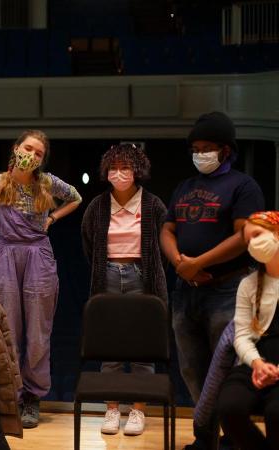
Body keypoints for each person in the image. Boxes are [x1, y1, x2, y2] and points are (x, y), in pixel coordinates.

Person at [0, 130, 82, 428]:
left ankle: (32, 396)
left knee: (39, 330)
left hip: (38, 253)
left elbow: (76, 197)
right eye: (29, 148)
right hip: (6, 254)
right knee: (6, 327)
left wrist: (52, 219)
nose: (32, 155)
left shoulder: (47, 183)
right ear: (16, 149)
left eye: (39, 153)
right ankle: (7, 395)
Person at [160, 111, 264, 406]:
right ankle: (206, 436)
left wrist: (199, 263)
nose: (199, 155)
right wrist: (181, 264)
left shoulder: (243, 186)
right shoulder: (185, 186)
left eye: (206, 149)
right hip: (186, 291)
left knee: (229, 367)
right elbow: (167, 230)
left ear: (225, 150)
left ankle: (231, 435)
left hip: (227, 290)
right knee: (192, 369)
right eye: (195, 150)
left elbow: (245, 236)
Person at [81, 143, 168, 436]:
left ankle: (138, 411)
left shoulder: (154, 205)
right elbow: (88, 242)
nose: (119, 173)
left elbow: (163, 244)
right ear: (107, 172)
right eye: (114, 168)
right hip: (107, 275)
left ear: (137, 171)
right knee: (110, 347)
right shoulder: (97, 205)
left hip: (141, 277)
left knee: (143, 346)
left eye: (125, 168)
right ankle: (112, 409)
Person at [217, 211, 279, 449]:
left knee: (276, 413)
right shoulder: (248, 284)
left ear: (276, 233)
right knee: (229, 407)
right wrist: (257, 364)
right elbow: (241, 335)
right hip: (256, 363)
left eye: (257, 235)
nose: (252, 244)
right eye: (248, 240)